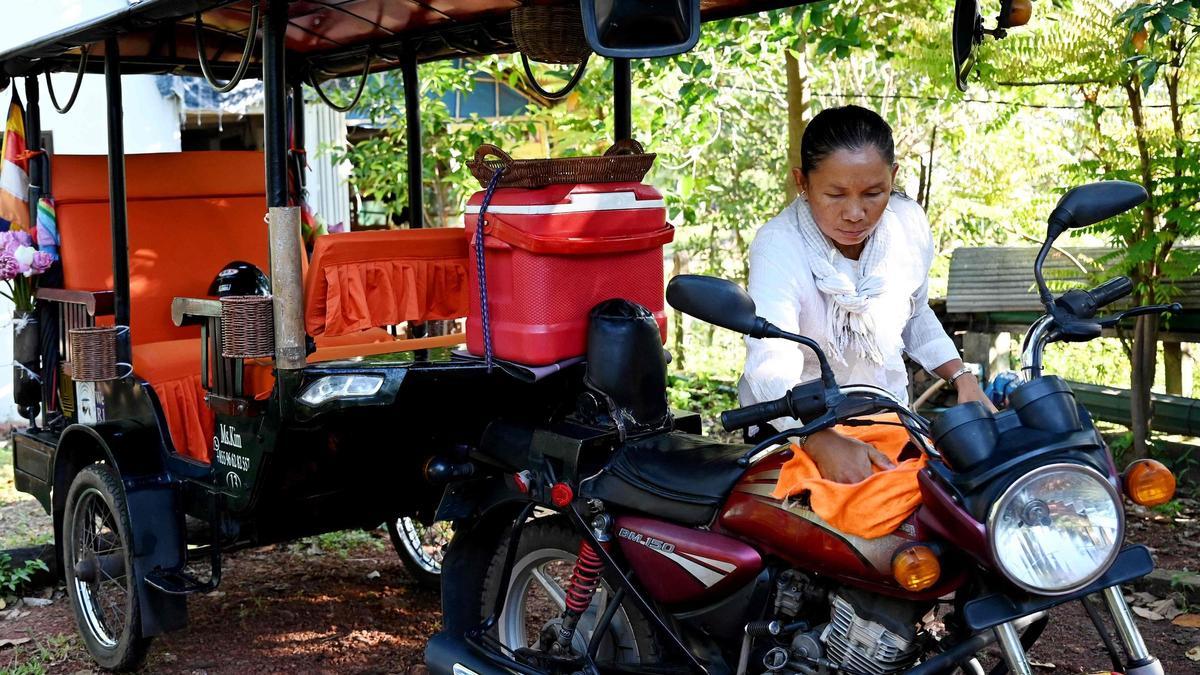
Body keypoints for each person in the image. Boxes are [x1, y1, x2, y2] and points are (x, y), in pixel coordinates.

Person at [739, 105, 993, 484]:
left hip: (886, 415)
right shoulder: (779, 245)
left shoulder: (907, 227)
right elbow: (769, 363)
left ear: (893, 178)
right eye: (836, 195)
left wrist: (962, 377)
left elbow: (916, 313)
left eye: (874, 192)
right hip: (794, 426)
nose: (856, 213)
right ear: (802, 183)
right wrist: (818, 437)